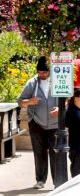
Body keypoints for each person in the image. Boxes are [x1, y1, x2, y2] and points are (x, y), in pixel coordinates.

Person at [17, 58, 58, 188]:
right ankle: (40, 180)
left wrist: (60, 108)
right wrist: (30, 101)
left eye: (45, 72)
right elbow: (20, 101)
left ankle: (58, 182)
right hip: (36, 123)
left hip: (55, 124)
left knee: (56, 153)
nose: (42, 75)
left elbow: (68, 99)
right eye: (40, 72)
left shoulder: (57, 81)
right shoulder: (32, 84)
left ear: (49, 71)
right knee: (39, 153)